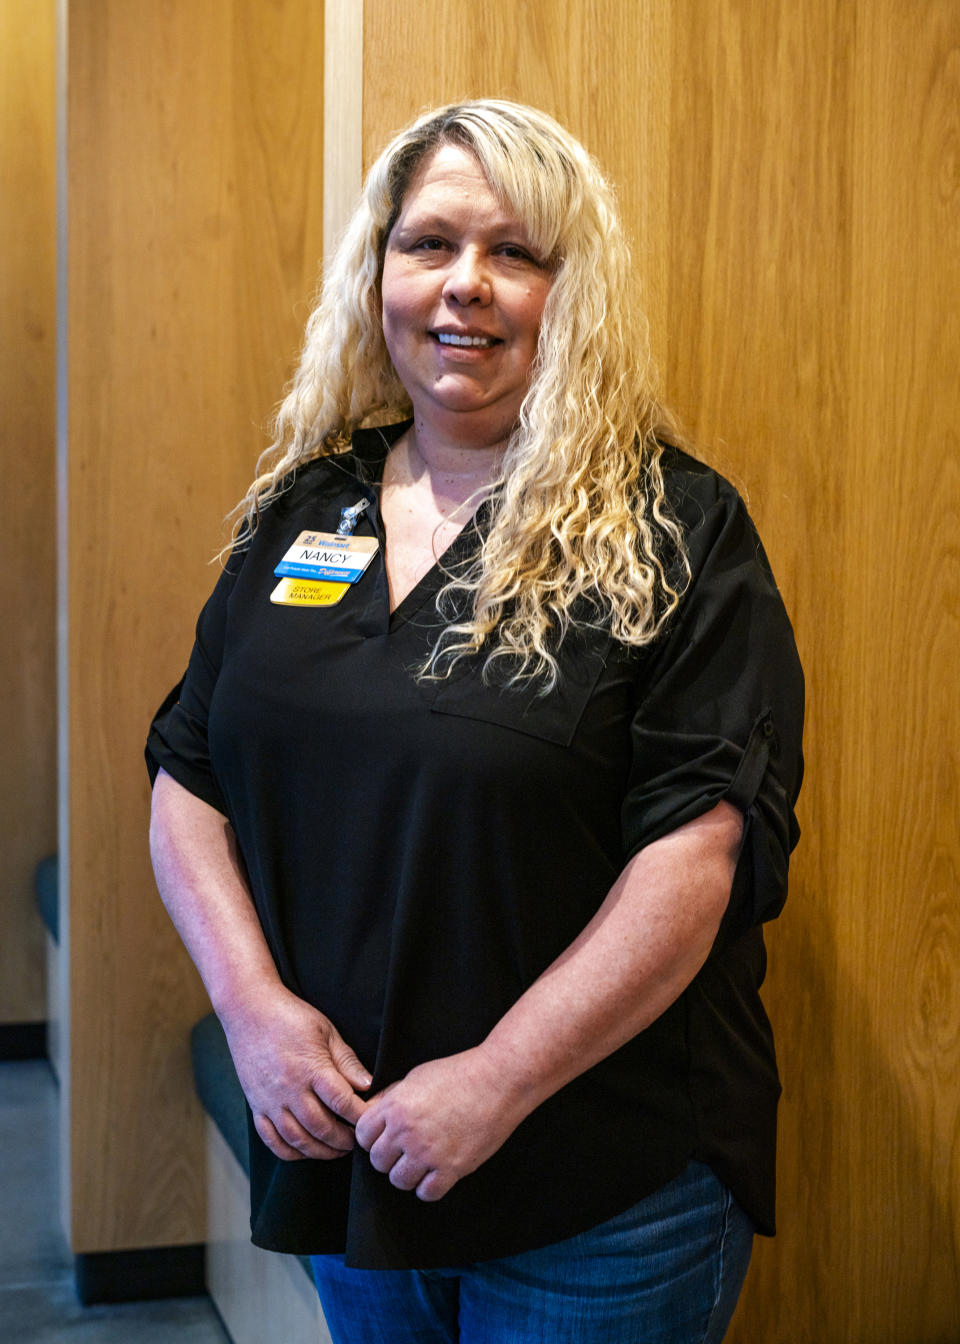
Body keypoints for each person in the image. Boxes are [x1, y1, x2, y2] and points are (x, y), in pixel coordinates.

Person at [147, 99, 803, 1344]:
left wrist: (497, 1083)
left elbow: (697, 855)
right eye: (430, 245)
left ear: (574, 292)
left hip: (598, 1187)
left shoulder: (676, 529)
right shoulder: (306, 506)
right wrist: (251, 1012)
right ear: (377, 273)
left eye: (516, 253)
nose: (466, 287)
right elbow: (189, 776)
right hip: (354, 1152)